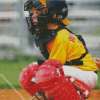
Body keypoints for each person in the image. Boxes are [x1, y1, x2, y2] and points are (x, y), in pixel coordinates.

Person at [19, 0, 99, 99]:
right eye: (33, 12)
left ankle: (79, 93)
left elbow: (51, 70)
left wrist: (46, 96)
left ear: (54, 15)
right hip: (75, 69)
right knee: (28, 74)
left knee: (47, 72)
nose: (33, 16)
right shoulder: (48, 34)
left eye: (38, 12)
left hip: (86, 73)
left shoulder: (60, 36)